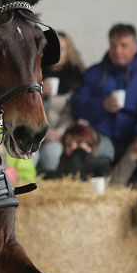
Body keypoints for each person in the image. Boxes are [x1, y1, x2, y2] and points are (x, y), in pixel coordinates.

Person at [72, 23, 137, 161]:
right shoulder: (94, 72)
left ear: (135, 47)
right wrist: (101, 105)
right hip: (100, 138)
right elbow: (78, 104)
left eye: (124, 45)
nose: (117, 51)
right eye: (113, 45)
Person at [36, 31, 85, 173]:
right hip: (37, 132)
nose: (55, 53)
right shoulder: (34, 73)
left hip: (62, 134)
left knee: (53, 154)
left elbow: (73, 113)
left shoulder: (77, 77)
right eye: (50, 49)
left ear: (69, 52)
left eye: (61, 49)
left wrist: (59, 133)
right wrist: (38, 91)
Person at [45, 124, 111, 180]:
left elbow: (78, 178)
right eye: (68, 145)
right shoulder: (64, 160)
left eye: (79, 143)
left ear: (90, 145)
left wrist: (78, 154)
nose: (73, 147)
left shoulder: (100, 165)